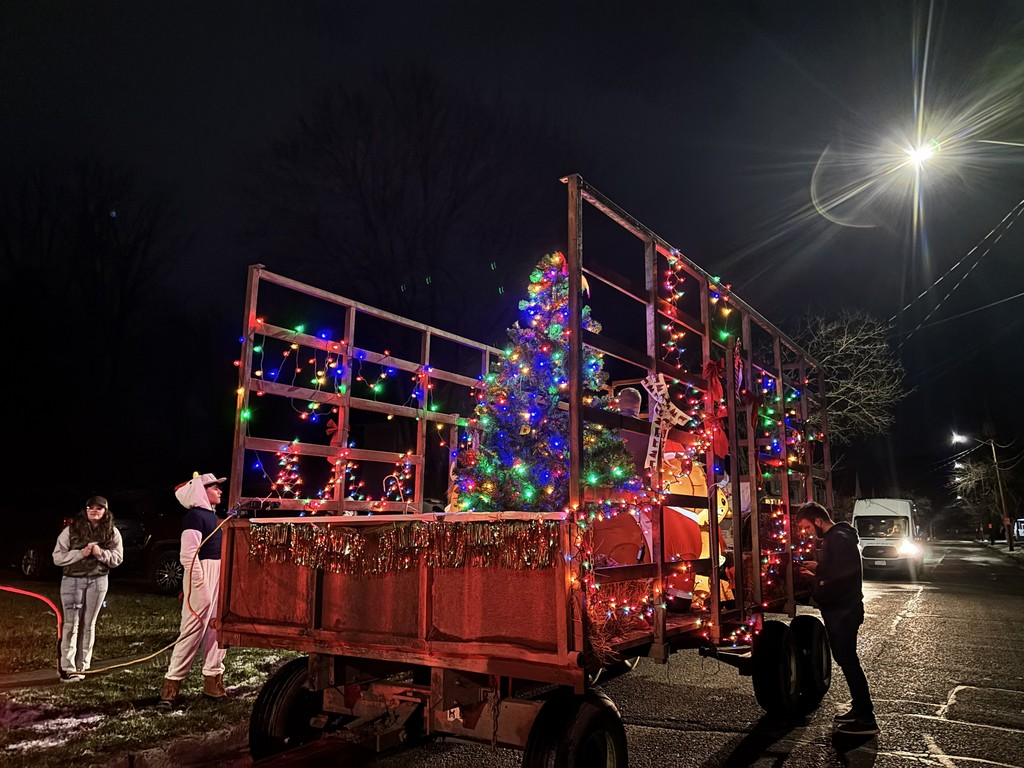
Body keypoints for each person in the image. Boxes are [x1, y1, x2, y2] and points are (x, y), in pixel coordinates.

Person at [794, 501, 879, 736]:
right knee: (847, 661)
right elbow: (838, 569)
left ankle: (866, 719)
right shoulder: (838, 537)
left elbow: (845, 573)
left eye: (808, 528)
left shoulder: (838, 538)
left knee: (849, 662)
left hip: (843, 611)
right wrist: (819, 570)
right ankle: (859, 709)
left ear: (818, 521)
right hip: (842, 609)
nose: (808, 533)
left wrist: (819, 574)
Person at [160, 472, 229, 707]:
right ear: (201, 491)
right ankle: (172, 684)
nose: (220, 491)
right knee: (192, 629)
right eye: (214, 487)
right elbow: (188, 554)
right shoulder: (194, 517)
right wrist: (199, 584)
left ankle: (212, 679)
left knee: (217, 627)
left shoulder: (213, 516)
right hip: (203, 571)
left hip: (218, 571)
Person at [52, 495, 124, 681]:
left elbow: (117, 558)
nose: (94, 510)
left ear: (105, 511)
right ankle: (68, 668)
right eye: (91, 507)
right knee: (71, 624)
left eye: (99, 508)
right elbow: (57, 557)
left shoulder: (112, 532)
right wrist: (79, 554)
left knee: (89, 624)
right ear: (85, 510)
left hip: (98, 581)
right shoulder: (71, 530)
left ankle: (84, 667)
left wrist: (101, 553)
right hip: (72, 580)